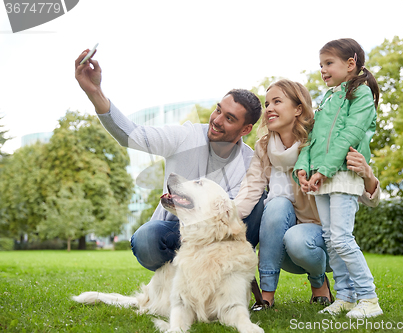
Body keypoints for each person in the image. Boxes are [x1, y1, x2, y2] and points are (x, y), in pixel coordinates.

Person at [74, 49, 265, 272]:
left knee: (259, 204)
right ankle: (181, 282)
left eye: (229, 118)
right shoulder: (186, 136)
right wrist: (95, 92)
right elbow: (132, 135)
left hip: (218, 242)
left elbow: (233, 219)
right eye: (218, 110)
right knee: (146, 238)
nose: (217, 120)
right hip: (176, 232)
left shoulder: (249, 162)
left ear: (246, 129)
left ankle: (228, 277)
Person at [234, 79, 381, 311]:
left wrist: (368, 174)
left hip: (323, 242)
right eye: (267, 103)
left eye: (277, 101)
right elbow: (250, 190)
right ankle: (266, 298)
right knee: (275, 205)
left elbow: (363, 197)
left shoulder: (321, 141)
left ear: (298, 109)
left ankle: (320, 283)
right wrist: (227, 215)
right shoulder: (264, 147)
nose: (269, 108)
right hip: (281, 243)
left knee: (297, 238)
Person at [294, 38, 383, 318]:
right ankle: (345, 297)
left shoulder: (361, 94)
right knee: (331, 240)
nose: (323, 70)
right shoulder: (327, 98)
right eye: (321, 65)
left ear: (350, 63)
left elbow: (349, 136)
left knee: (342, 239)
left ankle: (368, 298)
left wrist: (324, 170)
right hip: (324, 177)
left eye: (328, 63)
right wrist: (303, 169)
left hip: (343, 174)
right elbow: (311, 139)